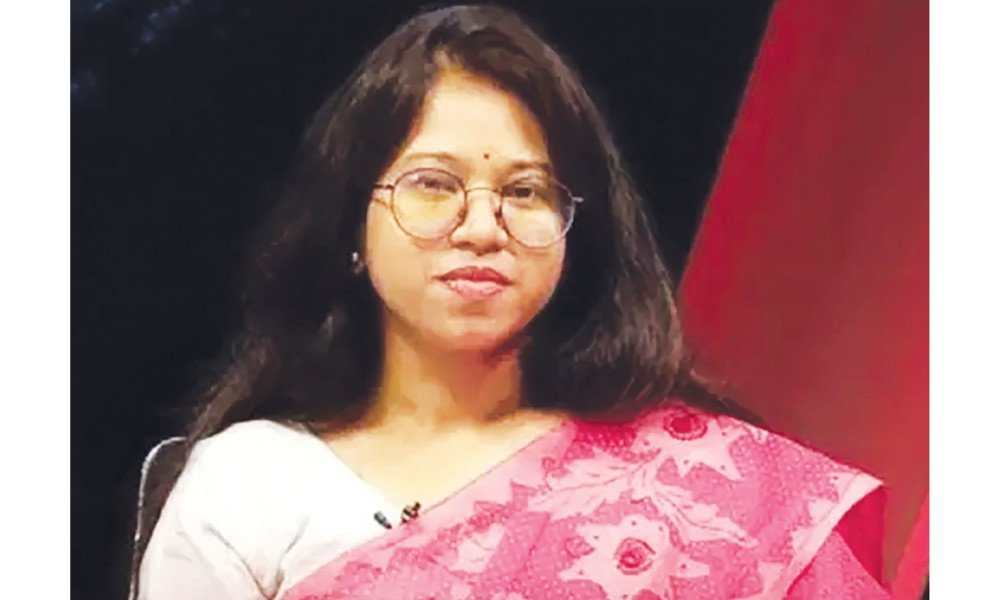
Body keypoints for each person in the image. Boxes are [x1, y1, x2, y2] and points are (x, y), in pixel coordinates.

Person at [134, 4, 889, 599]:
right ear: (351, 227)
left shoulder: (702, 487)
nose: (481, 227)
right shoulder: (249, 486)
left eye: (525, 192)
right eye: (433, 184)